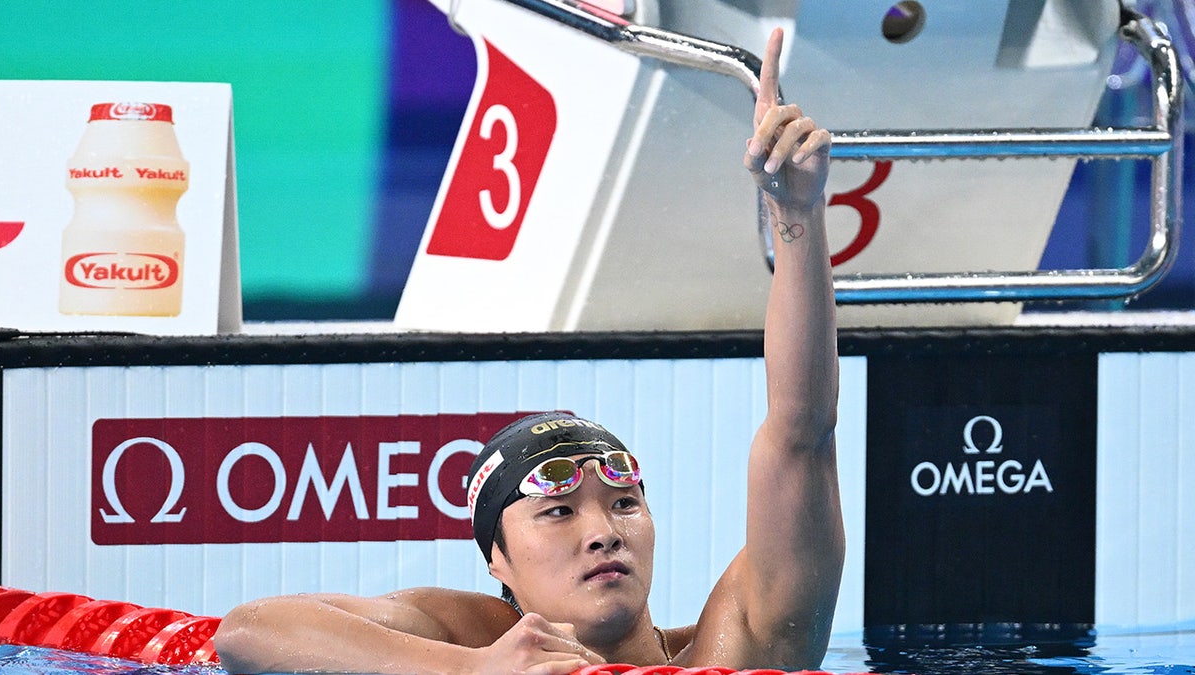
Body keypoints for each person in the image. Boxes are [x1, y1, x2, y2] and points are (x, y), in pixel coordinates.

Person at [214, 26, 841, 674]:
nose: (603, 532)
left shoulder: (740, 643)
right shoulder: (472, 637)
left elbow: (802, 433)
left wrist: (796, 213)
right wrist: (467, 670)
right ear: (500, 562)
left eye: (624, 502)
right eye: (559, 510)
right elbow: (249, 630)